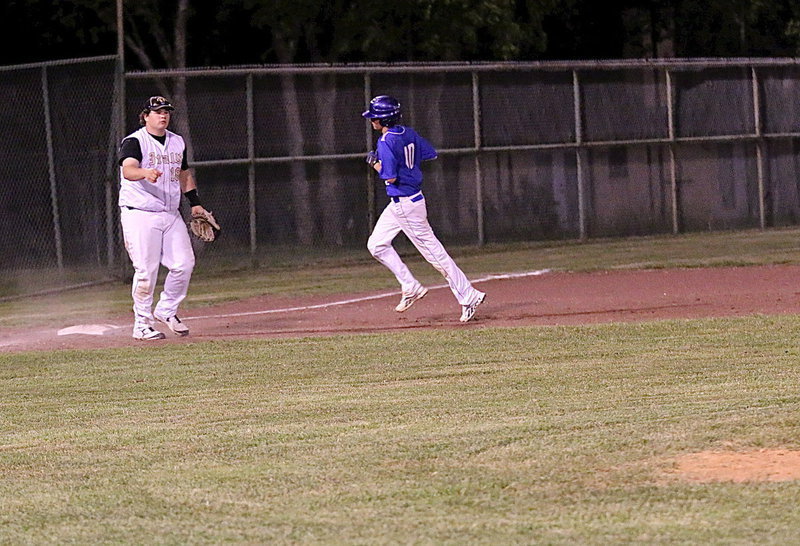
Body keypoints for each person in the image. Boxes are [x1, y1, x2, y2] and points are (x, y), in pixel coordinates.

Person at [362, 95, 486, 322]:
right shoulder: (407, 133)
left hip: (406, 205)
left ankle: (468, 296)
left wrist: (375, 163)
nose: (372, 121)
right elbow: (430, 153)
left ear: (383, 119)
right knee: (376, 245)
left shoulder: (386, 141)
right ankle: (410, 286)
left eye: (375, 117)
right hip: (404, 202)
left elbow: (389, 178)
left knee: (435, 255)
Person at [118, 95, 208, 340]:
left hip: (170, 213)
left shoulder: (177, 142)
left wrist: (195, 203)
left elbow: (184, 172)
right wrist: (144, 172)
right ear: (145, 116)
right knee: (146, 271)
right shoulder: (135, 141)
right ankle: (142, 325)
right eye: (157, 111)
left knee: (184, 264)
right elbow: (127, 169)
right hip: (140, 214)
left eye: (166, 110)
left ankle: (166, 309)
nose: (163, 115)